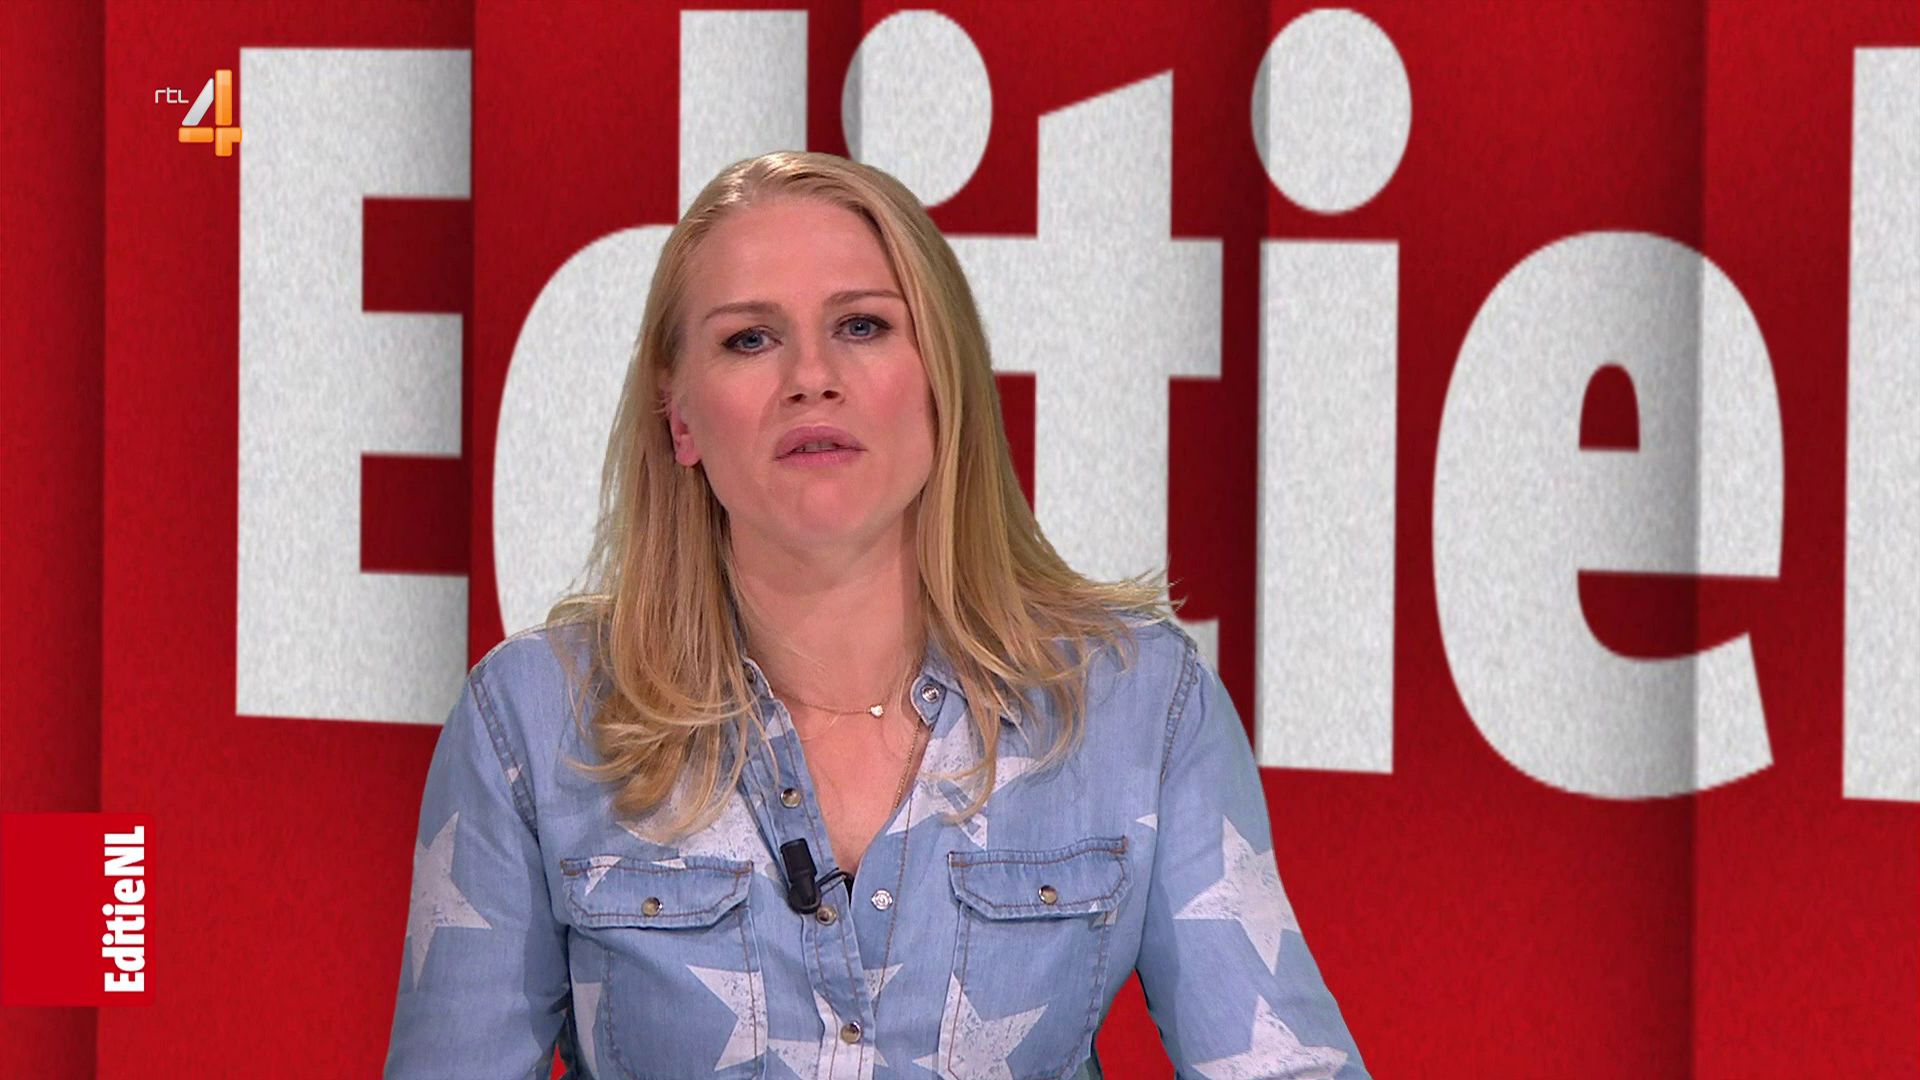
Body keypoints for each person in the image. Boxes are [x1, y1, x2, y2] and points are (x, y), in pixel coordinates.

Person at [384, 150, 1369, 1080]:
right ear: (679, 418)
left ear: (943, 379)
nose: (811, 377)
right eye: (749, 338)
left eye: (861, 325)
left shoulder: (1139, 705)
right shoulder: (534, 721)